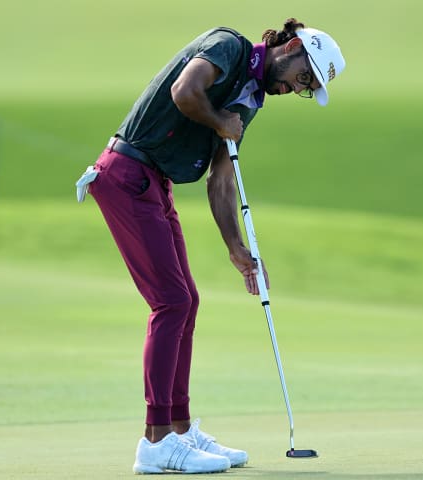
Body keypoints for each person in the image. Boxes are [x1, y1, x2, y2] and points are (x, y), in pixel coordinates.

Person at [79, 18, 345, 475]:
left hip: (153, 182)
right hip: (125, 174)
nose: (295, 90)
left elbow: (221, 178)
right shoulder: (228, 47)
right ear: (293, 48)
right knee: (171, 302)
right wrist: (221, 120)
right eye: (304, 78)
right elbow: (186, 92)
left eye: (307, 89)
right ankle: (156, 441)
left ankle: (179, 430)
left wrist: (236, 249)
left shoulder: (253, 98)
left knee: (188, 301)